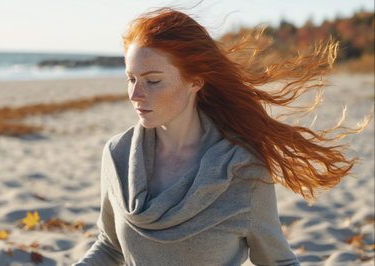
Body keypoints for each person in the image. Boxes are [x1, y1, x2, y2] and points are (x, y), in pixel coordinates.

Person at [74, 7, 367, 266]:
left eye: (153, 81)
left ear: (195, 81)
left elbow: (277, 260)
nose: (135, 95)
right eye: (131, 79)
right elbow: (110, 247)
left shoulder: (242, 170)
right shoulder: (117, 155)